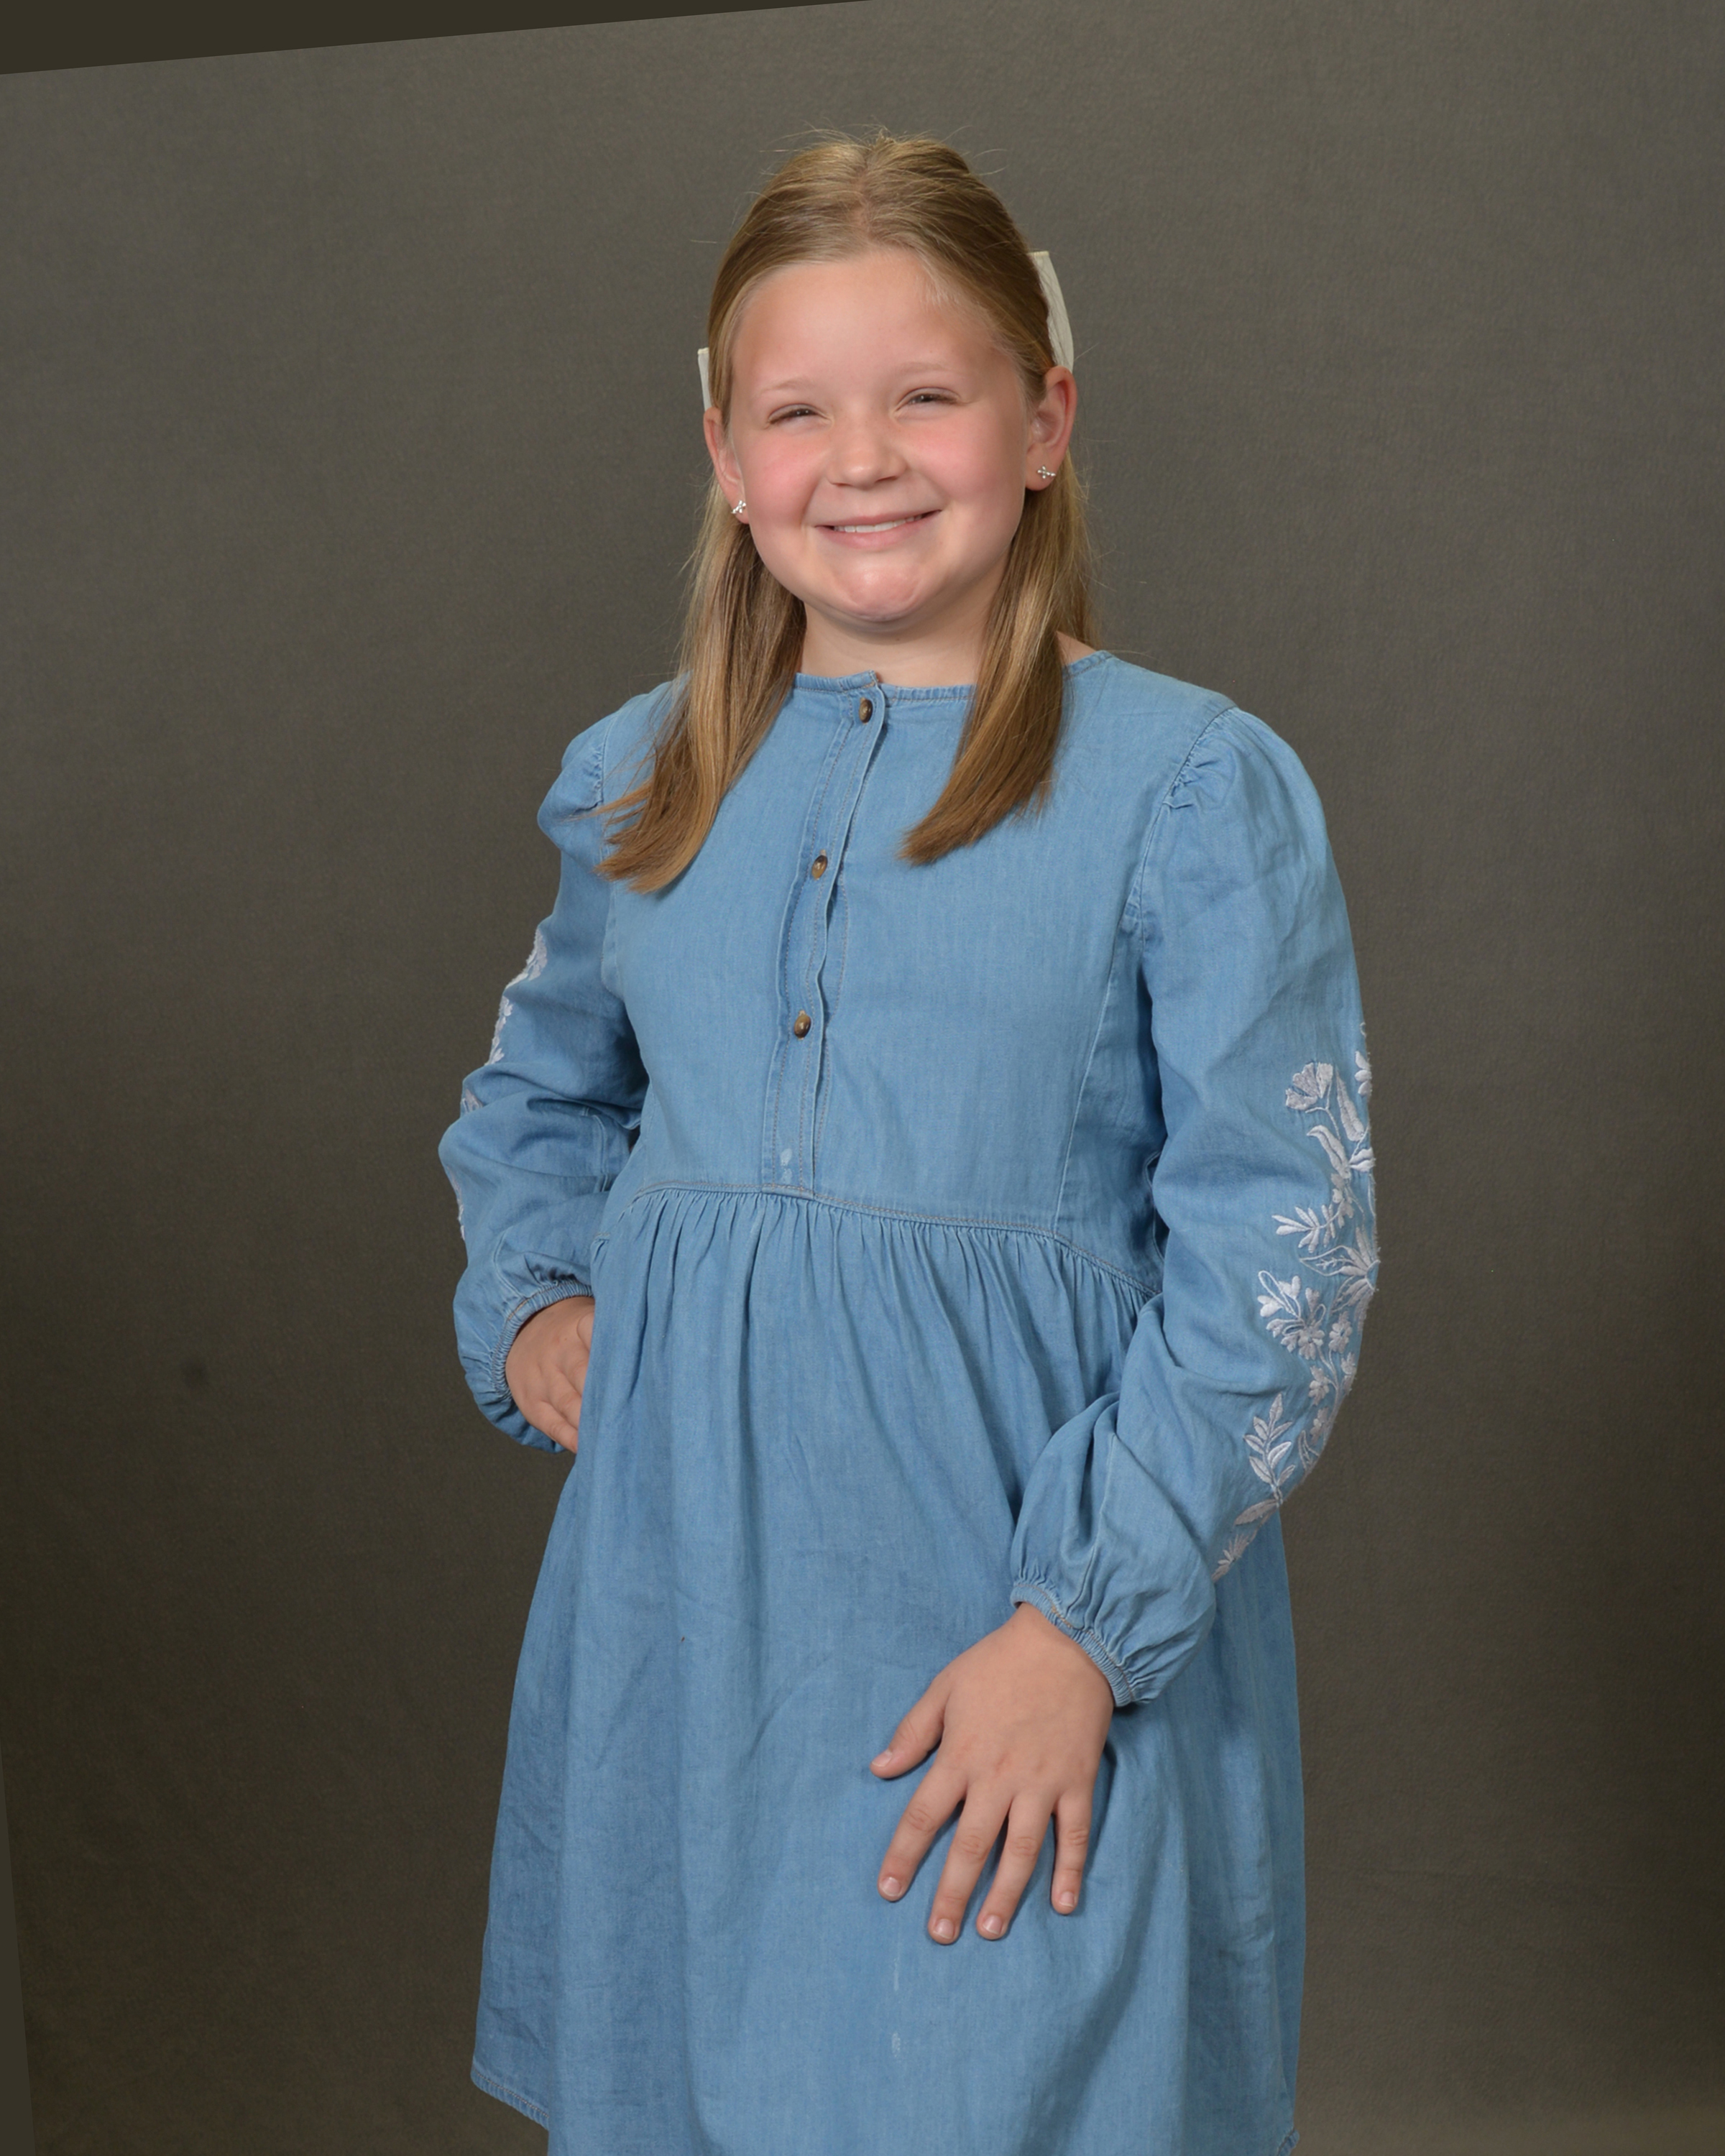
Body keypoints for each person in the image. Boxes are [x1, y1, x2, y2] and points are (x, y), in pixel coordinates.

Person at [438, 129, 1378, 2156]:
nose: (860, 459)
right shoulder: (642, 779)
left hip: (1013, 1625)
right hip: (693, 1634)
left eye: (926, 395)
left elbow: (1280, 1256)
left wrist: (1082, 1632)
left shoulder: (1189, 790)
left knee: (1003, 2085)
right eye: (798, 411)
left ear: (1045, 422)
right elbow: (539, 1095)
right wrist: (536, 1299)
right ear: (724, 453)